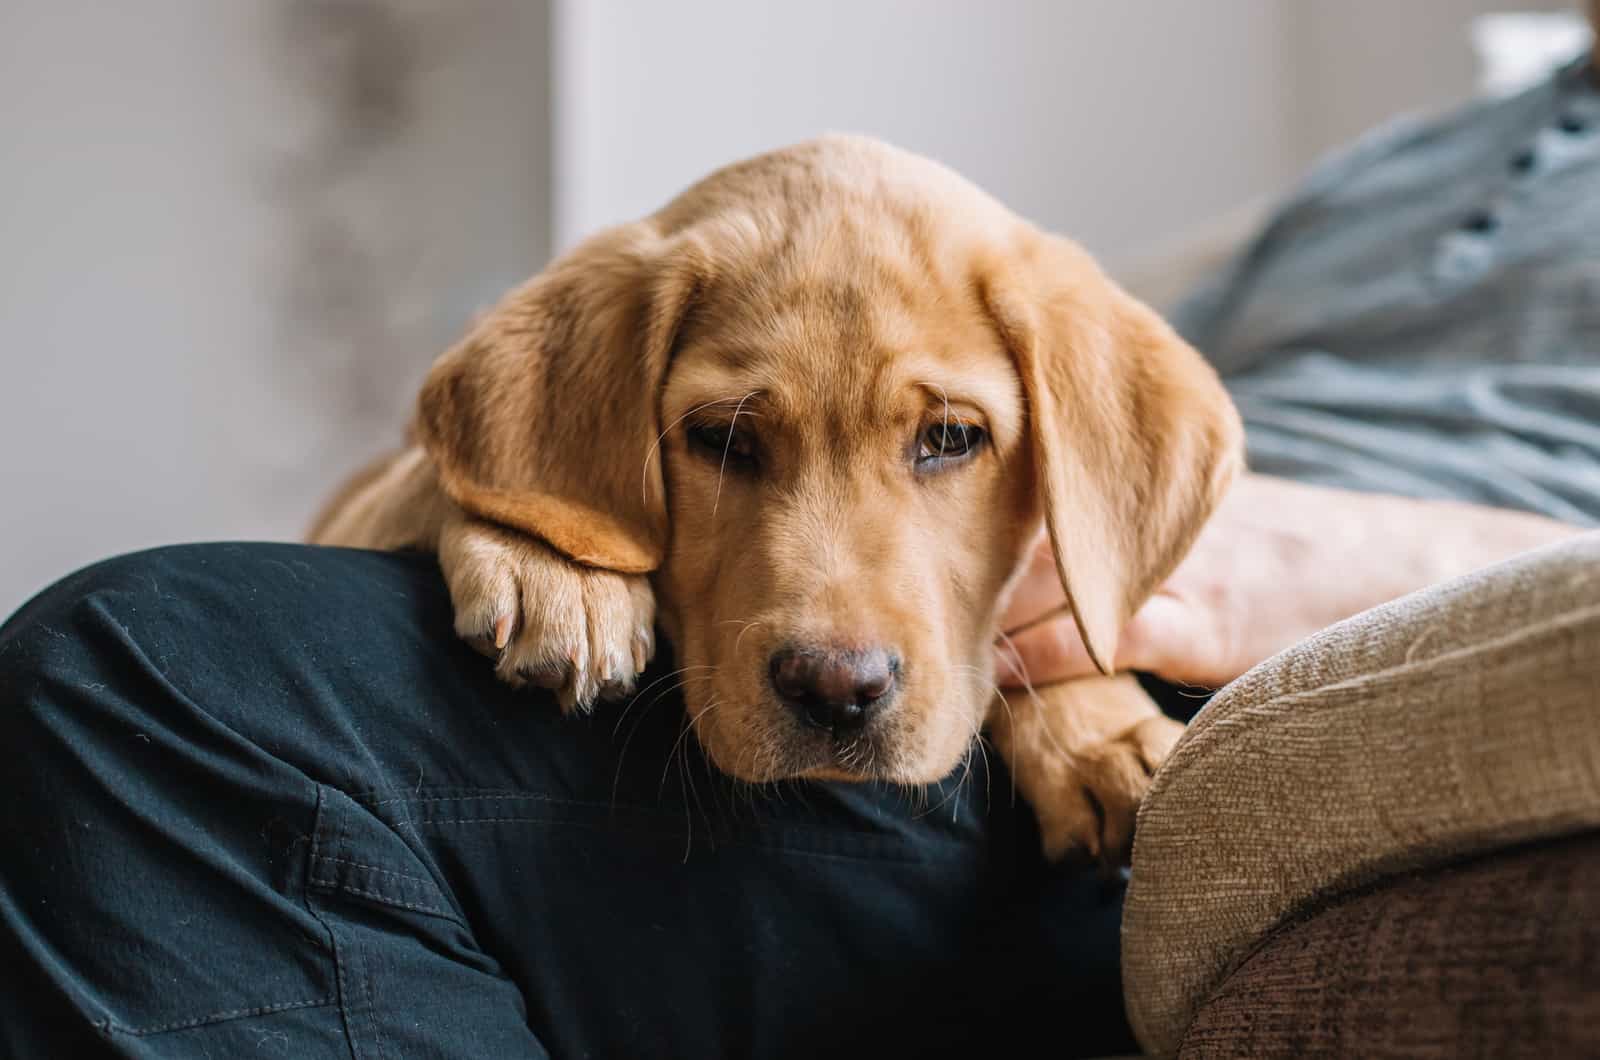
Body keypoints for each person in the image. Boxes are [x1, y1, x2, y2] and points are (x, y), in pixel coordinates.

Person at [3, 32, 1596, 1060]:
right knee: (150, 661)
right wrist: (547, 514)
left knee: (135, 680)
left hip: (1163, 728)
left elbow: (1133, 469)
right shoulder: (1406, 167)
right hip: (816, 712)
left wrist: (1242, 577)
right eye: (729, 437)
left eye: (947, 435)